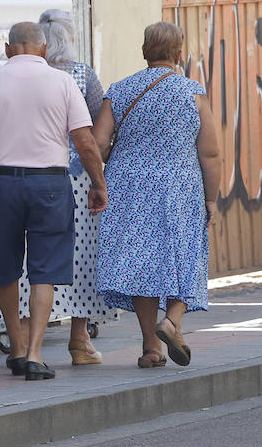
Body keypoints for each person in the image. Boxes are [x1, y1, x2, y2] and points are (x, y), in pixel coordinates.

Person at [0, 22, 108, 381]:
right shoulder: (63, 82)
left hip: (2, 184)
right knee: (45, 270)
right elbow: (85, 143)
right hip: (50, 184)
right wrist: (98, 184)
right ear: (42, 49)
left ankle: (18, 346)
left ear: (8, 49)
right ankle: (37, 354)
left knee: (5, 268)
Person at [90, 22, 219, 369]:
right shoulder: (193, 92)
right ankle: (172, 320)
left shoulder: (119, 90)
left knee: (142, 261)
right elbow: (209, 153)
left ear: (144, 52)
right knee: (186, 252)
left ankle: (151, 347)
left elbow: (99, 144)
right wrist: (211, 198)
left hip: (128, 186)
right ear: (179, 54)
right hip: (180, 186)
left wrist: (104, 174)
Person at [0, 9, 113, 367]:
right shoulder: (82, 75)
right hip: (75, 177)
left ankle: (25, 341)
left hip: (24, 177)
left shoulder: (9, 77)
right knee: (79, 261)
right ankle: (79, 339)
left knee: (30, 260)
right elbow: (93, 130)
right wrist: (100, 179)